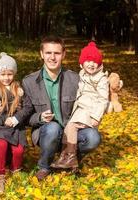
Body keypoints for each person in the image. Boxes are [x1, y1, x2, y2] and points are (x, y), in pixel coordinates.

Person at [20, 35, 102, 181]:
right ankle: (44, 166)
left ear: (63, 54)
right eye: (48, 53)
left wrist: (113, 85)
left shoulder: (75, 79)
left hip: (70, 132)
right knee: (52, 129)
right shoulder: (29, 82)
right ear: (41, 54)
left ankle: (72, 159)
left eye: (57, 53)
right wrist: (39, 118)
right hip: (45, 132)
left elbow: (97, 86)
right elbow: (26, 116)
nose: (52, 57)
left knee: (93, 137)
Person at [51, 42, 109, 169]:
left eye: (94, 61)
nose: (91, 64)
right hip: (81, 109)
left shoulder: (100, 78)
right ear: (82, 62)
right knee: (68, 129)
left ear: (99, 63)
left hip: (90, 111)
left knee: (71, 127)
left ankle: (71, 157)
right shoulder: (83, 74)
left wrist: (96, 116)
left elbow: (103, 99)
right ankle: (64, 156)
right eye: (87, 60)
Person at [0, 52, 27, 193]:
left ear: (14, 74)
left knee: (19, 150)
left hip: (15, 126)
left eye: (9, 74)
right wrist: (3, 119)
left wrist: (16, 118)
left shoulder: (19, 89)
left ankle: (16, 170)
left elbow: (28, 107)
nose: (6, 78)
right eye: (3, 74)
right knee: (1, 145)